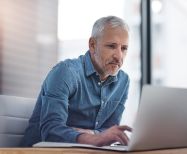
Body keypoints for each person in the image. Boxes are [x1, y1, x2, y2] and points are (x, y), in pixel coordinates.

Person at [21, 16, 132, 147]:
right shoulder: (66, 72)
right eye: (111, 46)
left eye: (124, 48)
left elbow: (110, 131)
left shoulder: (123, 81)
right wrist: (96, 138)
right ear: (92, 45)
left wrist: (92, 134)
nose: (119, 56)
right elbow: (51, 131)